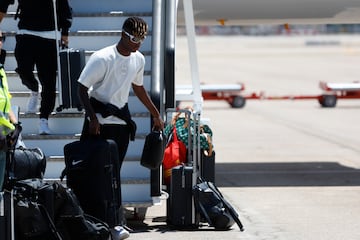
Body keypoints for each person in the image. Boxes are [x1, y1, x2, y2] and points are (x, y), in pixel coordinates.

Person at [77, 16, 164, 240]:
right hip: (99, 124)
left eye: (142, 40)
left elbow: (139, 88)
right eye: (135, 38)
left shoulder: (139, 59)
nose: (138, 43)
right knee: (96, 175)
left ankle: (114, 223)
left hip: (121, 126)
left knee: (114, 175)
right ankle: (95, 222)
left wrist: (155, 114)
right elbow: (81, 88)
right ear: (123, 34)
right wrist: (92, 119)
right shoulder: (103, 58)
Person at [0, 0, 72, 135]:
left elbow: (63, 6)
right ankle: (34, 88)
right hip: (25, 32)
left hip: (49, 36)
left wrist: (65, 32)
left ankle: (44, 119)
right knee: (23, 70)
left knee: (48, 82)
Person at [0, 30, 20, 190]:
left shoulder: (1, 70)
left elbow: (6, 100)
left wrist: (16, 125)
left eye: (1, 38)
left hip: (3, 139)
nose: (0, 42)